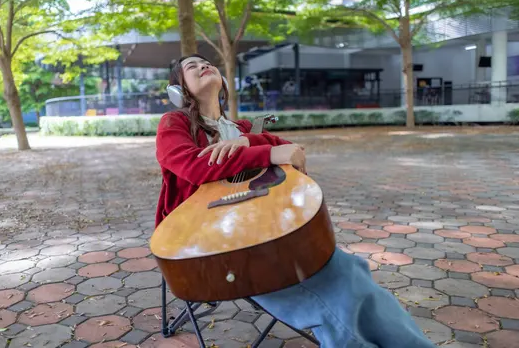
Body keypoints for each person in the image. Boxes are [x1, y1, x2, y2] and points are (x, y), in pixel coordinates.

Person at [154, 54, 435, 348]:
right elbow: (193, 166)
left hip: (263, 227)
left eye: (206, 62)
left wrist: (248, 142)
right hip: (206, 241)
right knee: (337, 294)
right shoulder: (174, 122)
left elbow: (290, 149)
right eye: (191, 66)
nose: (203, 66)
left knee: (350, 272)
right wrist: (266, 153)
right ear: (178, 89)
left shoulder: (244, 127)